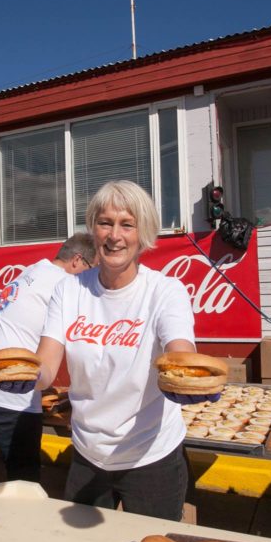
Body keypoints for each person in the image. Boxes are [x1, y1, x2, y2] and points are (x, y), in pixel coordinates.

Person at [29, 181, 212, 521]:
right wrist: (25, 378)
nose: (115, 235)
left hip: (151, 456)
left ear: (143, 234)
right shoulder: (69, 290)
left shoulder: (165, 291)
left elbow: (179, 351)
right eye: (105, 223)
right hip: (88, 453)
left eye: (127, 224)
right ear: (93, 230)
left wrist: (191, 382)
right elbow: (46, 366)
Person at [0, 235, 96, 495]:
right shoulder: (66, 285)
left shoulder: (34, 269)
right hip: (11, 395)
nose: (93, 275)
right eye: (92, 267)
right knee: (24, 483)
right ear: (77, 260)